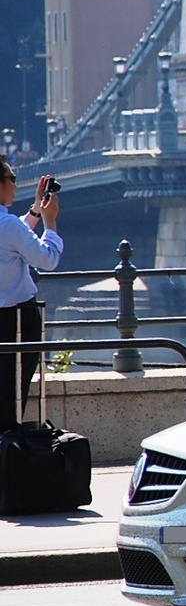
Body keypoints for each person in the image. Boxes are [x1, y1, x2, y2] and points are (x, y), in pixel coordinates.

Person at [0, 161, 62, 430]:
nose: (15, 183)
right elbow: (46, 259)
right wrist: (50, 223)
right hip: (16, 322)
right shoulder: (9, 225)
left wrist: (35, 210)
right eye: (12, 177)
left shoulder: (9, 226)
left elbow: (13, 241)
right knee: (12, 395)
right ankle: (8, 455)